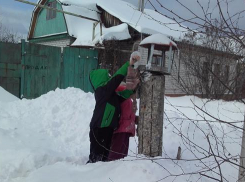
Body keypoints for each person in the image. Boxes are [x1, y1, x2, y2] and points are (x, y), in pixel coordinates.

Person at [88, 51, 141, 163]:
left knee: (105, 158)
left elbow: (123, 97)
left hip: (108, 129)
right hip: (99, 129)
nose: (110, 78)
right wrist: (129, 64)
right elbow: (116, 79)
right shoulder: (102, 92)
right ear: (101, 78)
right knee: (96, 158)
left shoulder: (111, 95)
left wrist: (133, 88)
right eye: (107, 77)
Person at [108, 84, 139, 161]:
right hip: (120, 129)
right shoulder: (121, 100)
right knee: (116, 154)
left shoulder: (127, 100)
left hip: (124, 130)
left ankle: (118, 168)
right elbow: (122, 115)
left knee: (122, 153)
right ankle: (110, 168)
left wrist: (135, 119)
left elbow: (128, 114)